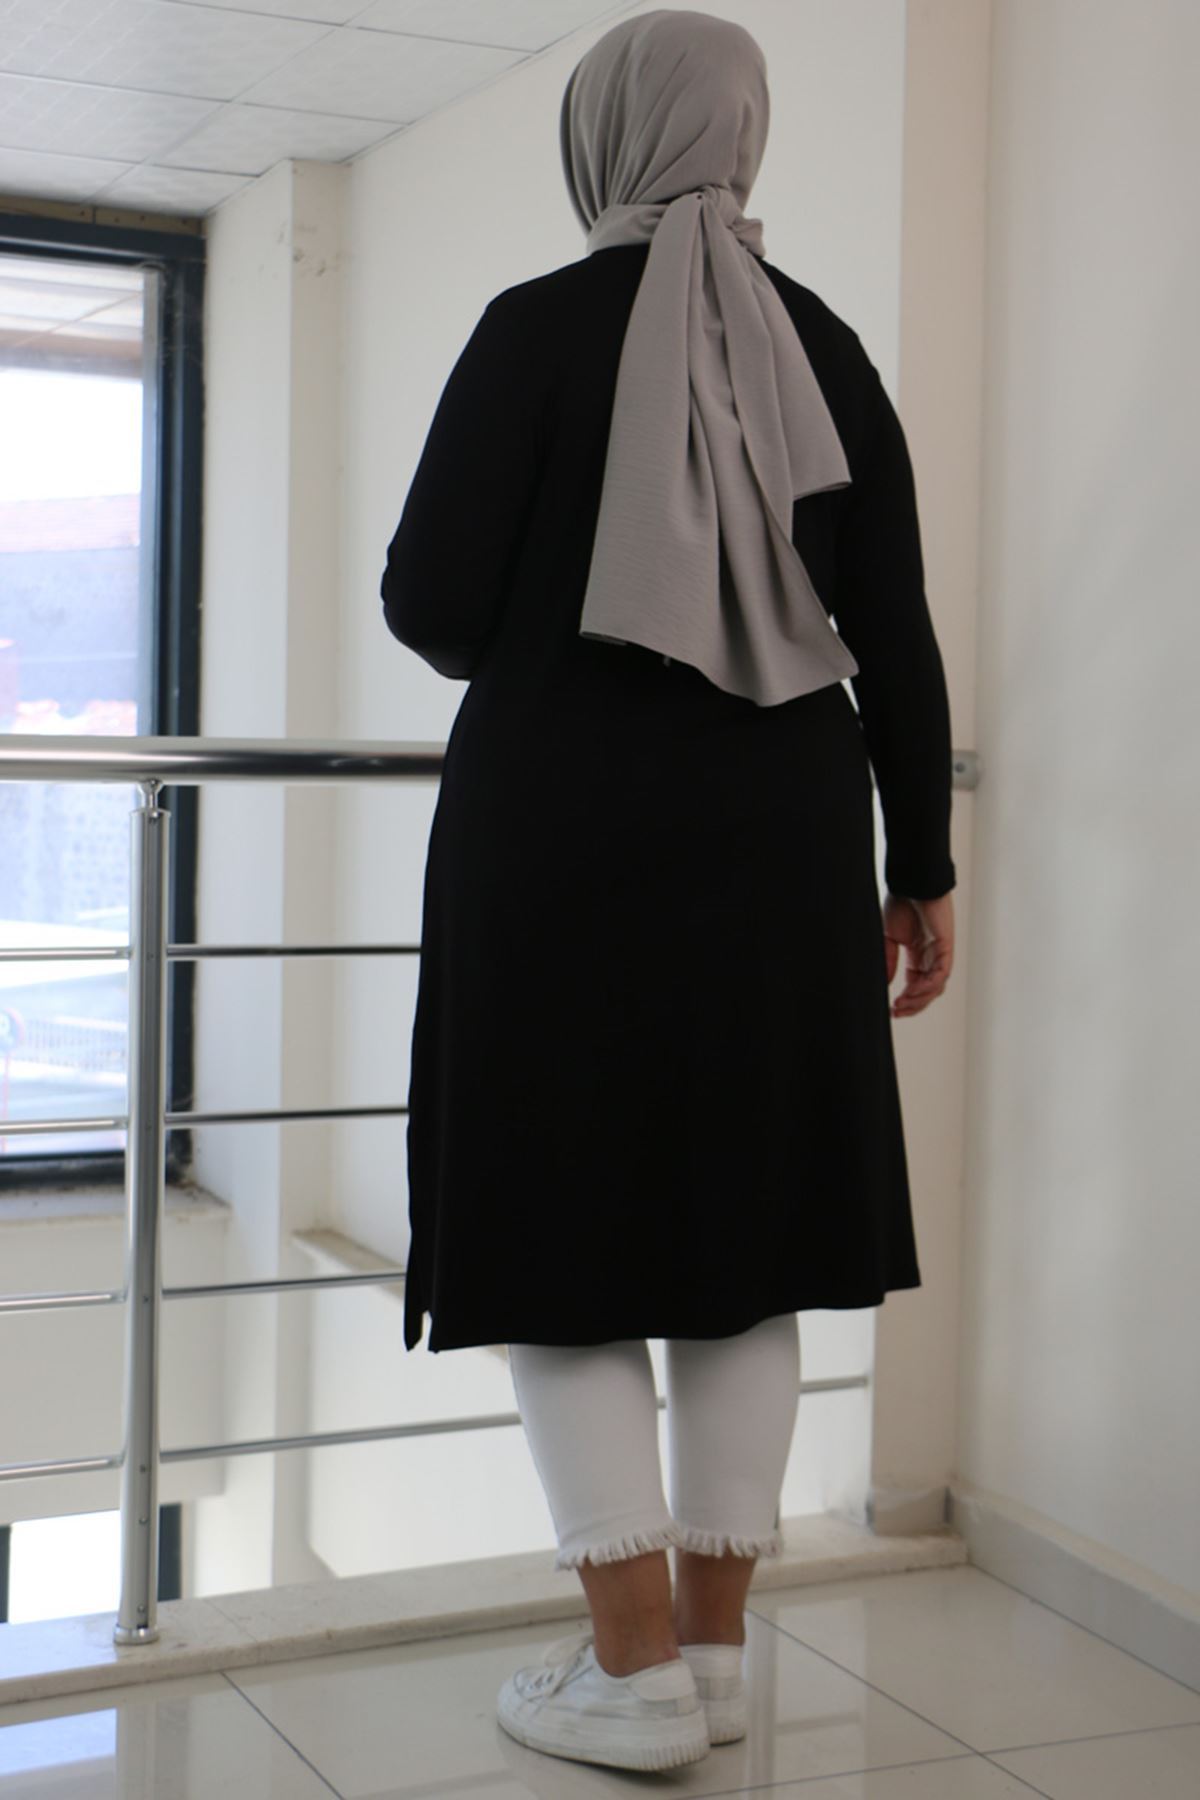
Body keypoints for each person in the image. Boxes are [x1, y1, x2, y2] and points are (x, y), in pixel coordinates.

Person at [380, 7, 956, 1776]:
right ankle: (707, 1662)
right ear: (744, 135)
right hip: (784, 843)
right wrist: (921, 866)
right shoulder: (822, 343)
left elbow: (431, 604)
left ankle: (624, 1674)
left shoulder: (532, 330)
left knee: (556, 1236)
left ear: (605, 135)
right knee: (744, 1234)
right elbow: (896, 630)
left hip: (554, 837)